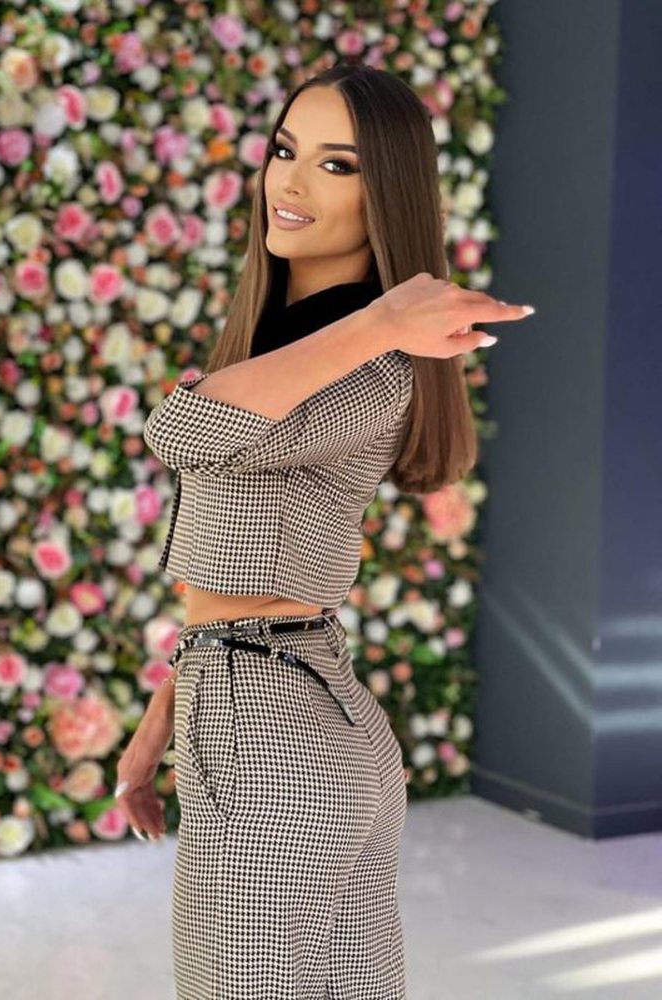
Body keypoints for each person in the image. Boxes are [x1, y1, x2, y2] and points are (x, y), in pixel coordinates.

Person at [116, 64, 534, 999]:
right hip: (290, 706)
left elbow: (179, 430)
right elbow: (251, 581)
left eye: (337, 164)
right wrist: (163, 720)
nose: (291, 182)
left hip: (276, 735)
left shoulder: (369, 359)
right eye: (284, 150)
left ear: (386, 194)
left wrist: (385, 318)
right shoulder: (307, 350)